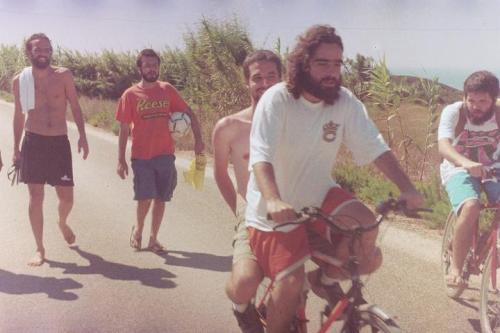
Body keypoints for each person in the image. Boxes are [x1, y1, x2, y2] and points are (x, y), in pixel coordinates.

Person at [245, 25, 424, 332]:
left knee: (367, 239)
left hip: (319, 195)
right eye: (322, 63)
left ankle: (324, 280)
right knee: (289, 285)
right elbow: (261, 155)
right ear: (303, 64)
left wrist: (407, 188)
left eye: (337, 64)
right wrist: (273, 199)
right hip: (273, 210)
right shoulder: (278, 99)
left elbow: (374, 147)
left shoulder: (344, 101)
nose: (332, 71)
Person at [212, 50, 282, 333]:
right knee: (244, 283)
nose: (264, 82)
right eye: (257, 78)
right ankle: (240, 307)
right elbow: (219, 173)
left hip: (291, 209)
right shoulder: (229, 128)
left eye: (271, 76)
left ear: (282, 79)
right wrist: (239, 209)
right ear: (247, 83)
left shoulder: (292, 123)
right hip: (252, 213)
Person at [12, 33, 89, 266]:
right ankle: (39, 248)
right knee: (36, 197)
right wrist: (16, 149)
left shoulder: (63, 75)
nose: (43, 52)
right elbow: (18, 115)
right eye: (38, 49)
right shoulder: (20, 80)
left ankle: (62, 222)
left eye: (47, 48)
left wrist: (83, 136)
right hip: (33, 141)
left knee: (67, 198)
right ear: (29, 52)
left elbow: (75, 106)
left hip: (58, 142)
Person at [116, 49, 204, 253]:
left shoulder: (167, 90)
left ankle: (153, 239)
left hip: (165, 155)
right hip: (141, 157)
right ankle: (138, 230)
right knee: (145, 197)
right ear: (140, 68)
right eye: (147, 65)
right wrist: (120, 159)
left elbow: (188, 113)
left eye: (155, 65)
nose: (151, 69)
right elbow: (123, 128)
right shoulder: (130, 95)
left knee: (161, 198)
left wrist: (199, 140)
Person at [438, 71, 500, 290]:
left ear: (494, 99)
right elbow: (444, 146)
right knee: (471, 206)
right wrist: (464, 163)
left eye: (483, 101)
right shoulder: (454, 112)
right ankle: (456, 268)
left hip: (493, 169)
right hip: (458, 168)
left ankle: (485, 247)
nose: (475, 106)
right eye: (470, 100)